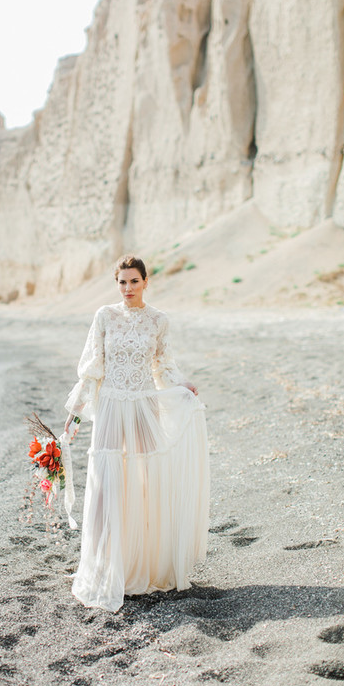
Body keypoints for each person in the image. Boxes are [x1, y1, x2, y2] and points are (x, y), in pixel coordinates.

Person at [64, 254, 210, 612]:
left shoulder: (159, 320)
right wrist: (75, 414)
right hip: (111, 406)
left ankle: (145, 561)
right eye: (122, 282)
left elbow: (162, 365)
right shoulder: (104, 316)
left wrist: (182, 384)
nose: (127, 288)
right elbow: (93, 368)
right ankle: (107, 565)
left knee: (147, 480)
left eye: (134, 281)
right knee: (106, 482)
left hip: (144, 404)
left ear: (146, 282)